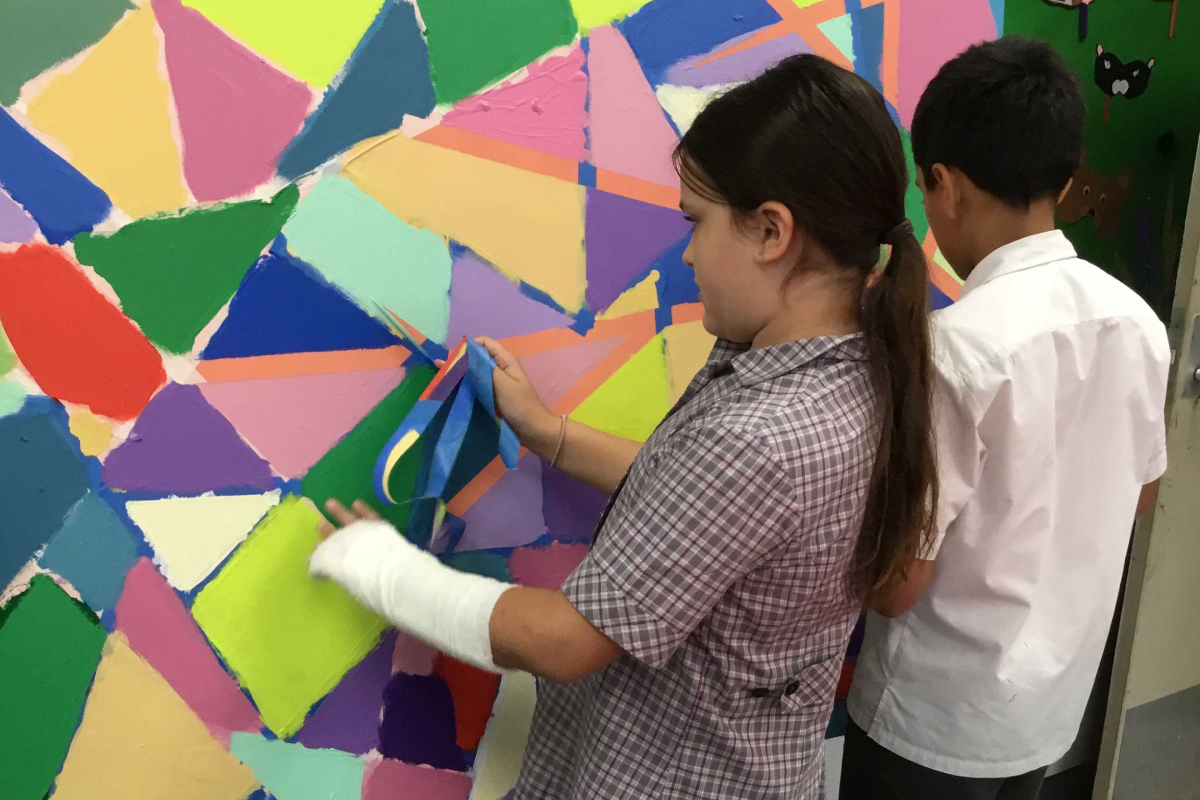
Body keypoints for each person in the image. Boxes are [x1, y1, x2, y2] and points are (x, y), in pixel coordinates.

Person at [310, 54, 938, 800]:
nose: (689, 252)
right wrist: (550, 433)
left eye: (697, 223)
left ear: (772, 231)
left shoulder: (756, 437)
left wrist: (381, 567)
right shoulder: (850, 370)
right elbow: (704, 509)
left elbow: (563, 641)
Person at [841, 37, 1172, 800]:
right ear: (1063, 175)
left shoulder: (958, 350)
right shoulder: (1135, 321)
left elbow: (896, 587)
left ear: (945, 185)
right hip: (1045, 713)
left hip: (932, 724)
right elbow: (1142, 491)